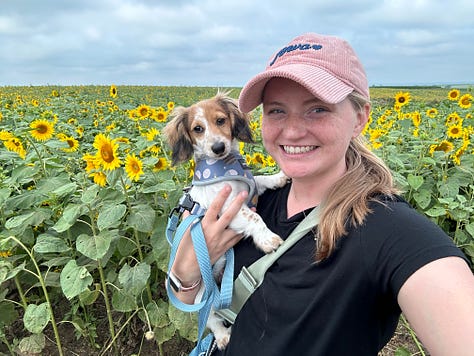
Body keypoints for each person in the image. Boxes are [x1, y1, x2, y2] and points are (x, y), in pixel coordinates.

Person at [168, 33, 474, 355]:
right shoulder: (255, 196)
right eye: (276, 111)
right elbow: (190, 299)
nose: (293, 130)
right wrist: (185, 270)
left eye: (317, 109)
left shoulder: (389, 231)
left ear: (360, 118)